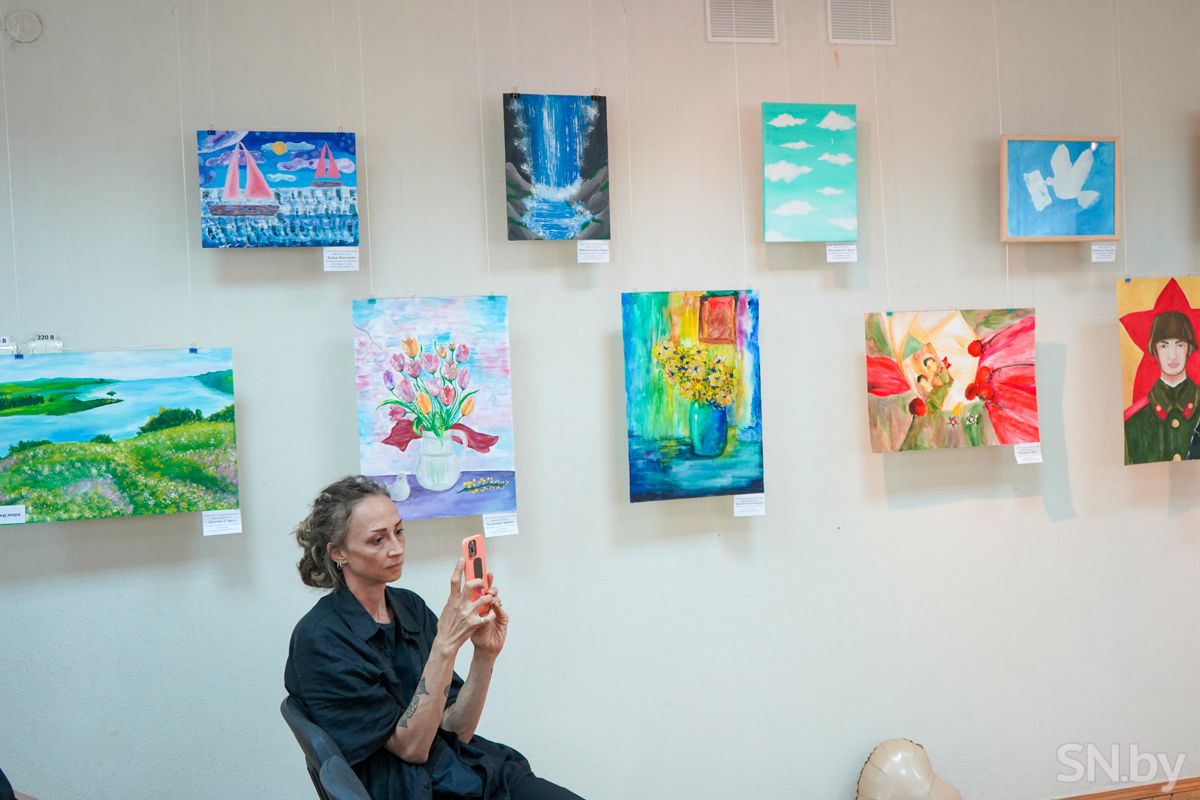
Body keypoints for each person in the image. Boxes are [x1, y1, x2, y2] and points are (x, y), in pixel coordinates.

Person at [284, 476, 583, 800]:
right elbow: (412, 749)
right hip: (410, 788)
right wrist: (445, 644)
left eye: (399, 531)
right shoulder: (322, 639)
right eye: (377, 540)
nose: (397, 548)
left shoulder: (408, 607)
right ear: (338, 552)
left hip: (463, 769)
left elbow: (457, 730)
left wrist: (485, 654)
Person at [1124, 311, 1200, 463]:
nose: (1172, 355)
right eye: (1164, 346)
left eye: (1179, 345)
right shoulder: (1133, 421)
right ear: (1155, 350)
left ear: (1189, 348)